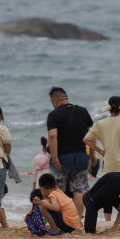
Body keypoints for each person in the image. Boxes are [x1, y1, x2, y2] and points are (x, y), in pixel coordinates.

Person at [45, 87, 94, 215]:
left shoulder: (54, 115)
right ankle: (76, 221)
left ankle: (61, 220)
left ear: (55, 99)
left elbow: (52, 136)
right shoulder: (82, 111)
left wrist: (54, 158)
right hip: (81, 157)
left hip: (62, 158)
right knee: (79, 190)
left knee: (57, 191)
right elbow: (92, 134)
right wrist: (93, 155)